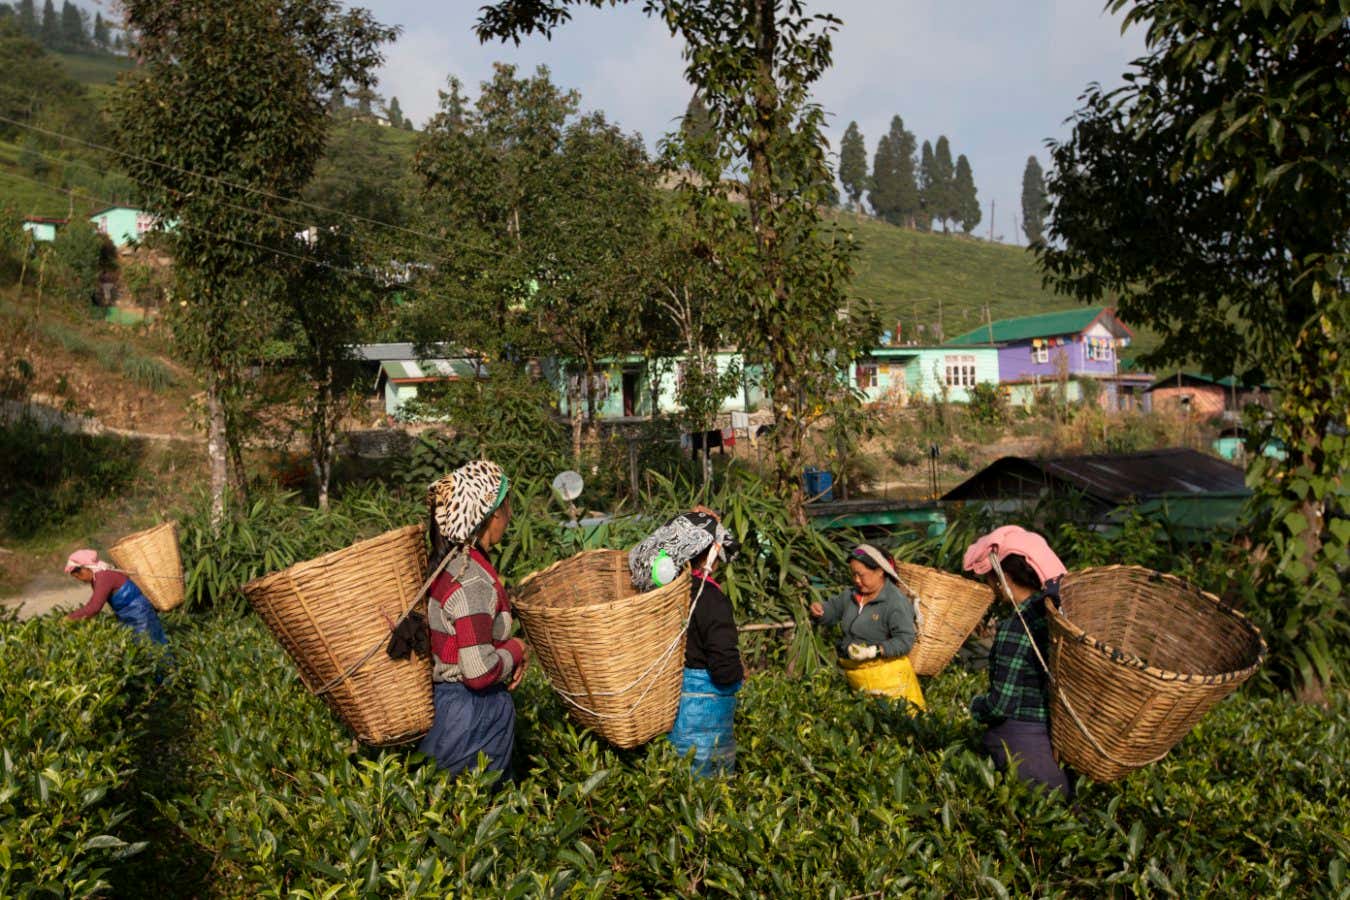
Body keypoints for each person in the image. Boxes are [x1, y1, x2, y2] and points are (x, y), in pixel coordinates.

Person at [416, 459, 528, 780]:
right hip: (471, 718)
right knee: (475, 815)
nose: (509, 518)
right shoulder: (472, 581)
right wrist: (518, 649)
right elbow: (478, 672)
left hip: (449, 710)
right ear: (494, 515)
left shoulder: (448, 565)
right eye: (507, 509)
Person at [629, 507, 743, 776]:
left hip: (664, 712)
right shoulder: (711, 600)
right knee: (708, 797)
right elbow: (724, 668)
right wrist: (738, 673)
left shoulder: (661, 595)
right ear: (713, 552)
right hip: (702, 723)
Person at [963, 525, 1072, 796]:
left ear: (1004, 578)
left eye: (990, 579)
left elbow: (1001, 704)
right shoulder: (1054, 614)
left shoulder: (1016, 626)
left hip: (1023, 739)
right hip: (1056, 733)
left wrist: (976, 706)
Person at [809, 544, 925, 711]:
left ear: (880, 571)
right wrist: (820, 611)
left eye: (861, 575)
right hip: (858, 678)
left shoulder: (894, 602)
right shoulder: (851, 595)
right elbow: (832, 609)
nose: (856, 580)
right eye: (853, 574)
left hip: (890, 680)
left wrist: (874, 651)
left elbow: (905, 640)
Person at [64, 549, 168, 645]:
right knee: (139, 646)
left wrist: (69, 618)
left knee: (151, 646)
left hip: (139, 614)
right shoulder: (98, 576)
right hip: (129, 615)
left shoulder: (103, 576)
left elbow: (94, 607)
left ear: (85, 568)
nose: (80, 580)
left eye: (78, 576)